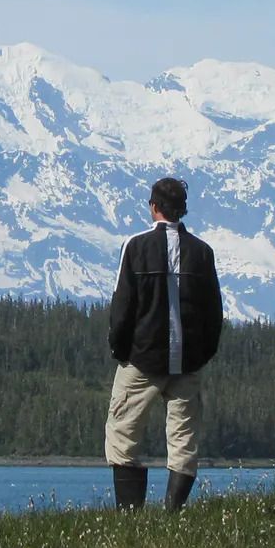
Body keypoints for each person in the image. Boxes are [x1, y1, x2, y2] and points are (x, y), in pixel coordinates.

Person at [104, 177, 224, 512]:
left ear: (153, 207)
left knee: (122, 436)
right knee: (184, 441)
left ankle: (131, 515)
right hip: (188, 361)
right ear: (182, 209)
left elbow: (122, 306)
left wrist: (120, 350)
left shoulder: (136, 246)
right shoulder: (202, 252)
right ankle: (172, 514)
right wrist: (203, 354)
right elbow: (215, 312)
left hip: (141, 358)